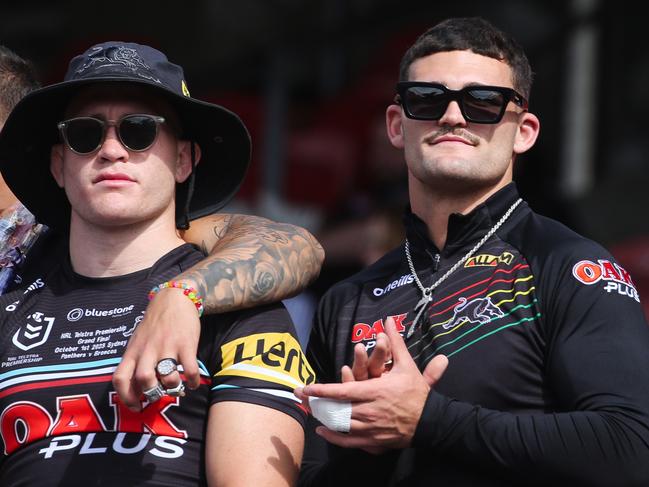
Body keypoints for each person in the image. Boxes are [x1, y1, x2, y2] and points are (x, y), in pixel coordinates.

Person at [295, 17, 649, 486]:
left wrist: (429, 420)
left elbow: (630, 450)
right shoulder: (347, 299)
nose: (453, 116)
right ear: (397, 126)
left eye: (483, 102)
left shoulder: (568, 265)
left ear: (524, 131)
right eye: (428, 98)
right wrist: (373, 441)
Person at [0, 41, 315, 485]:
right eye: (85, 134)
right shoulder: (12, 294)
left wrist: (182, 295)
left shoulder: (240, 305)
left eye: (139, 129)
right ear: (59, 163)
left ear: (184, 158)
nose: (111, 150)